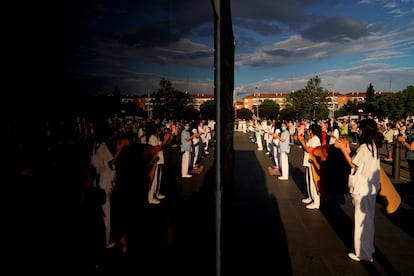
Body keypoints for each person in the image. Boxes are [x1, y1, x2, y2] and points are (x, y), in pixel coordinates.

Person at [334, 118, 380, 263]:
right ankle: (368, 249)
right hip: (369, 188)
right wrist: (347, 149)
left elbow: (353, 164)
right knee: (368, 222)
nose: (358, 131)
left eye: (359, 129)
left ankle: (363, 253)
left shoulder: (365, 147)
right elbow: (357, 159)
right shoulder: (372, 146)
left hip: (361, 189)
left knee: (361, 223)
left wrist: (342, 150)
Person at [297, 123, 322, 209]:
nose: (308, 131)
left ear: (312, 131)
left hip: (313, 162)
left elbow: (309, 149)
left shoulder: (316, 139)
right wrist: (302, 140)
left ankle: (316, 202)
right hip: (308, 161)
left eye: (309, 130)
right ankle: (310, 197)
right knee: (308, 181)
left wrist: (302, 141)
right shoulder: (312, 139)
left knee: (313, 183)